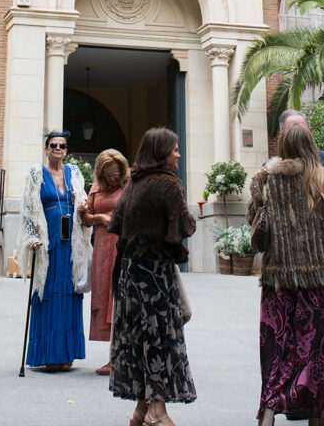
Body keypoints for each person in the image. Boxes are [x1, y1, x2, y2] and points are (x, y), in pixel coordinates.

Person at [248, 120, 324, 426]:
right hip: (320, 282)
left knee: (279, 352)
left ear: (281, 146)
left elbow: (255, 229)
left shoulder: (265, 179)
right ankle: (317, 417)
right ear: (311, 145)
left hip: (279, 282)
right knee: (317, 355)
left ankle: (269, 409)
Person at [108, 127, 196, 426]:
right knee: (158, 339)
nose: (178, 154)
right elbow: (184, 227)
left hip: (131, 275)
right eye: (174, 149)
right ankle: (157, 414)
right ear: (161, 153)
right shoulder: (167, 184)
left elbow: (119, 224)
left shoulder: (134, 184)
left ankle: (141, 410)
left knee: (141, 340)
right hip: (155, 276)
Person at [18, 130, 90, 371]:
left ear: (66, 150)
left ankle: (66, 354)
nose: (58, 148)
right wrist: (32, 238)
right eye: (53, 145)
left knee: (69, 293)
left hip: (71, 243)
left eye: (62, 145)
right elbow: (28, 210)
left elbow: (83, 200)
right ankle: (48, 354)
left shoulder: (74, 173)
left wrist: (81, 205)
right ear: (46, 149)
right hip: (48, 242)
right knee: (47, 292)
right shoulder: (35, 174)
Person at [78, 148, 130, 375]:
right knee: (106, 297)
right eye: (109, 174)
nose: (113, 178)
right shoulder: (96, 188)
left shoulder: (129, 186)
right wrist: (97, 217)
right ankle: (115, 356)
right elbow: (85, 218)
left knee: (120, 298)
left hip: (122, 246)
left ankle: (121, 357)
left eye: (117, 173)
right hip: (101, 248)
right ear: (101, 173)